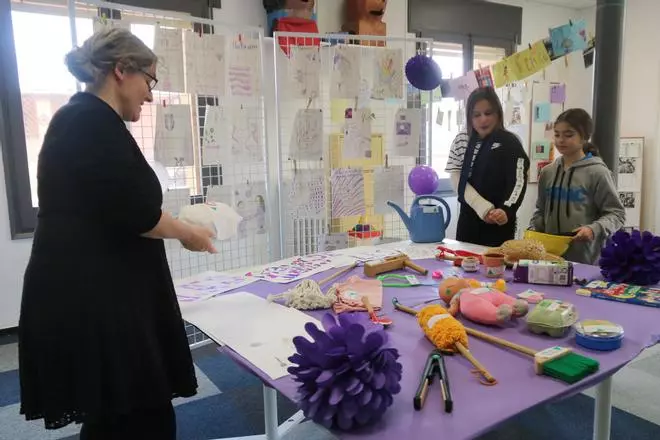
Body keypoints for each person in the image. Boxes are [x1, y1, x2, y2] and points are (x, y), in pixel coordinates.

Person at [18, 28, 218, 439]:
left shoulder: (88, 120)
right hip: (98, 301)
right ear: (122, 71)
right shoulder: (87, 122)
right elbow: (138, 213)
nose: (149, 95)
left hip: (102, 294)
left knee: (120, 414)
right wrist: (188, 232)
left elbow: (117, 203)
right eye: (149, 80)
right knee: (138, 416)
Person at [529, 108, 625, 264]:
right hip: (548, 257)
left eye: (568, 135)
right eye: (557, 134)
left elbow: (617, 214)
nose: (561, 140)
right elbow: (540, 209)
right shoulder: (548, 172)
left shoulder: (598, 172)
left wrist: (593, 229)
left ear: (584, 137)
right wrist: (533, 230)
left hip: (585, 259)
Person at [445, 87, 530, 247]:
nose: (483, 119)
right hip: (468, 222)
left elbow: (518, 182)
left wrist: (506, 210)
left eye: (488, 113)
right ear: (469, 117)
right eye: (476, 115)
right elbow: (456, 177)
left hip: (499, 221)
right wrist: (481, 207)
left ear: (498, 114)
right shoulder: (461, 140)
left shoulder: (510, 142)